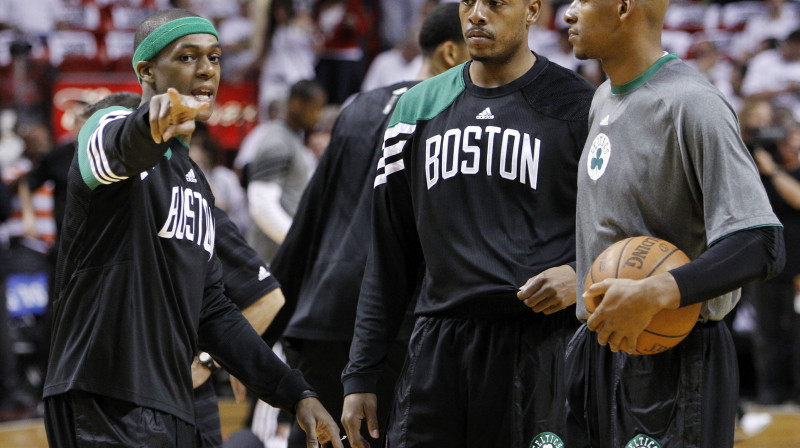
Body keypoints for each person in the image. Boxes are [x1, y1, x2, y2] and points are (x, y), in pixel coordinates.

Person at [42, 9, 342, 447]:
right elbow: (113, 151)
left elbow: (213, 310)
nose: (206, 69)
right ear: (146, 71)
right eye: (186, 57)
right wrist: (148, 125)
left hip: (172, 399)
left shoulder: (195, 182)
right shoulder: (106, 125)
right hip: (103, 395)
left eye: (214, 58)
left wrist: (294, 393)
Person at [340, 0, 595, 446]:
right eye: (467, 2)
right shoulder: (416, 108)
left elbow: (623, 228)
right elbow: (388, 252)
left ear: (533, 10)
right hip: (438, 345)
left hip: (540, 344)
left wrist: (583, 275)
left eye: (495, 3)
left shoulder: (580, 106)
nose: (476, 14)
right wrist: (361, 371)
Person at [562, 0, 785, 445]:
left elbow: (761, 242)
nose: (568, 12)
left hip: (674, 362)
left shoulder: (694, 103)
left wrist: (655, 291)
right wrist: (574, 271)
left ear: (623, 7)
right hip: (598, 349)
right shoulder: (602, 98)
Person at [269, 4, 470, 447]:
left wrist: (266, 324)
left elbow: (309, 220)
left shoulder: (359, 106)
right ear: (451, 53)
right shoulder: (455, 110)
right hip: (394, 326)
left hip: (323, 317)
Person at [244, 79, 327, 264]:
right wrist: (297, 242)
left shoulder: (291, 138)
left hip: (282, 256)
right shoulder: (277, 142)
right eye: (315, 108)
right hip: (270, 260)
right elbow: (261, 206)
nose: (318, 116)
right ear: (297, 104)